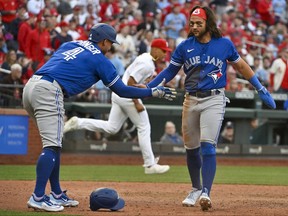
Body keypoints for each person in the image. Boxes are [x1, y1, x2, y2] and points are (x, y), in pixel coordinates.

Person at [22, 23, 176, 212]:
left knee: (55, 145)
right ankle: (38, 196)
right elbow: (122, 90)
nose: (110, 47)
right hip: (49, 90)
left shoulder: (71, 44)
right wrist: (154, 92)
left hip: (31, 87)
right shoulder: (100, 60)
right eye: (110, 43)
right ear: (104, 41)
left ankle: (56, 193)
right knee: (52, 146)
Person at [145, 6, 276, 211]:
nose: (194, 27)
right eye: (192, 23)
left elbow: (241, 66)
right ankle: (195, 188)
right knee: (191, 149)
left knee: (208, 146)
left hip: (214, 99)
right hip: (191, 99)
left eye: (199, 23)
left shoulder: (223, 44)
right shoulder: (184, 46)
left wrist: (260, 87)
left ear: (208, 23)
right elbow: (170, 71)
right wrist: (149, 87)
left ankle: (206, 191)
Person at [64, 38, 172, 175]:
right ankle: (150, 164)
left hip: (118, 94)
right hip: (127, 95)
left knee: (112, 127)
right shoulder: (147, 64)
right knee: (144, 126)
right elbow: (131, 82)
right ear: (155, 49)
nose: (165, 54)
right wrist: (137, 102)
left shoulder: (145, 57)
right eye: (163, 51)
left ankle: (78, 122)